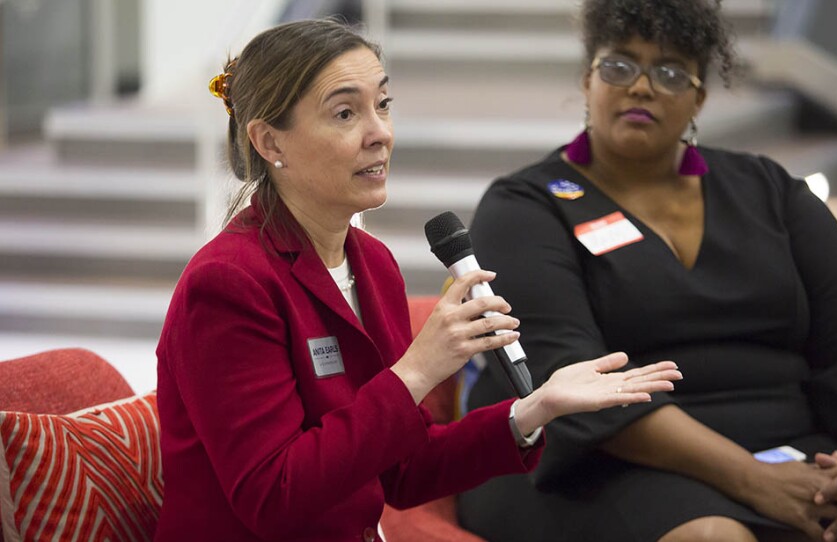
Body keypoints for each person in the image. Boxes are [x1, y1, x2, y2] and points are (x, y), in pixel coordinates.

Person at [153, 18, 681, 542]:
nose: (379, 132)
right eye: (344, 113)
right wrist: (417, 371)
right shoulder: (228, 283)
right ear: (270, 141)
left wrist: (534, 409)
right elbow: (273, 495)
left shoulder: (373, 263)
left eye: (382, 105)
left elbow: (402, 469)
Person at [458, 1, 837, 541]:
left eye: (670, 72)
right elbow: (576, 386)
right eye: (619, 66)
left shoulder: (771, 192)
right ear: (588, 81)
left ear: (699, 97)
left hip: (791, 441)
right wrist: (756, 481)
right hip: (594, 460)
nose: (641, 86)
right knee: (713, 539)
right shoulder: (525, 206)